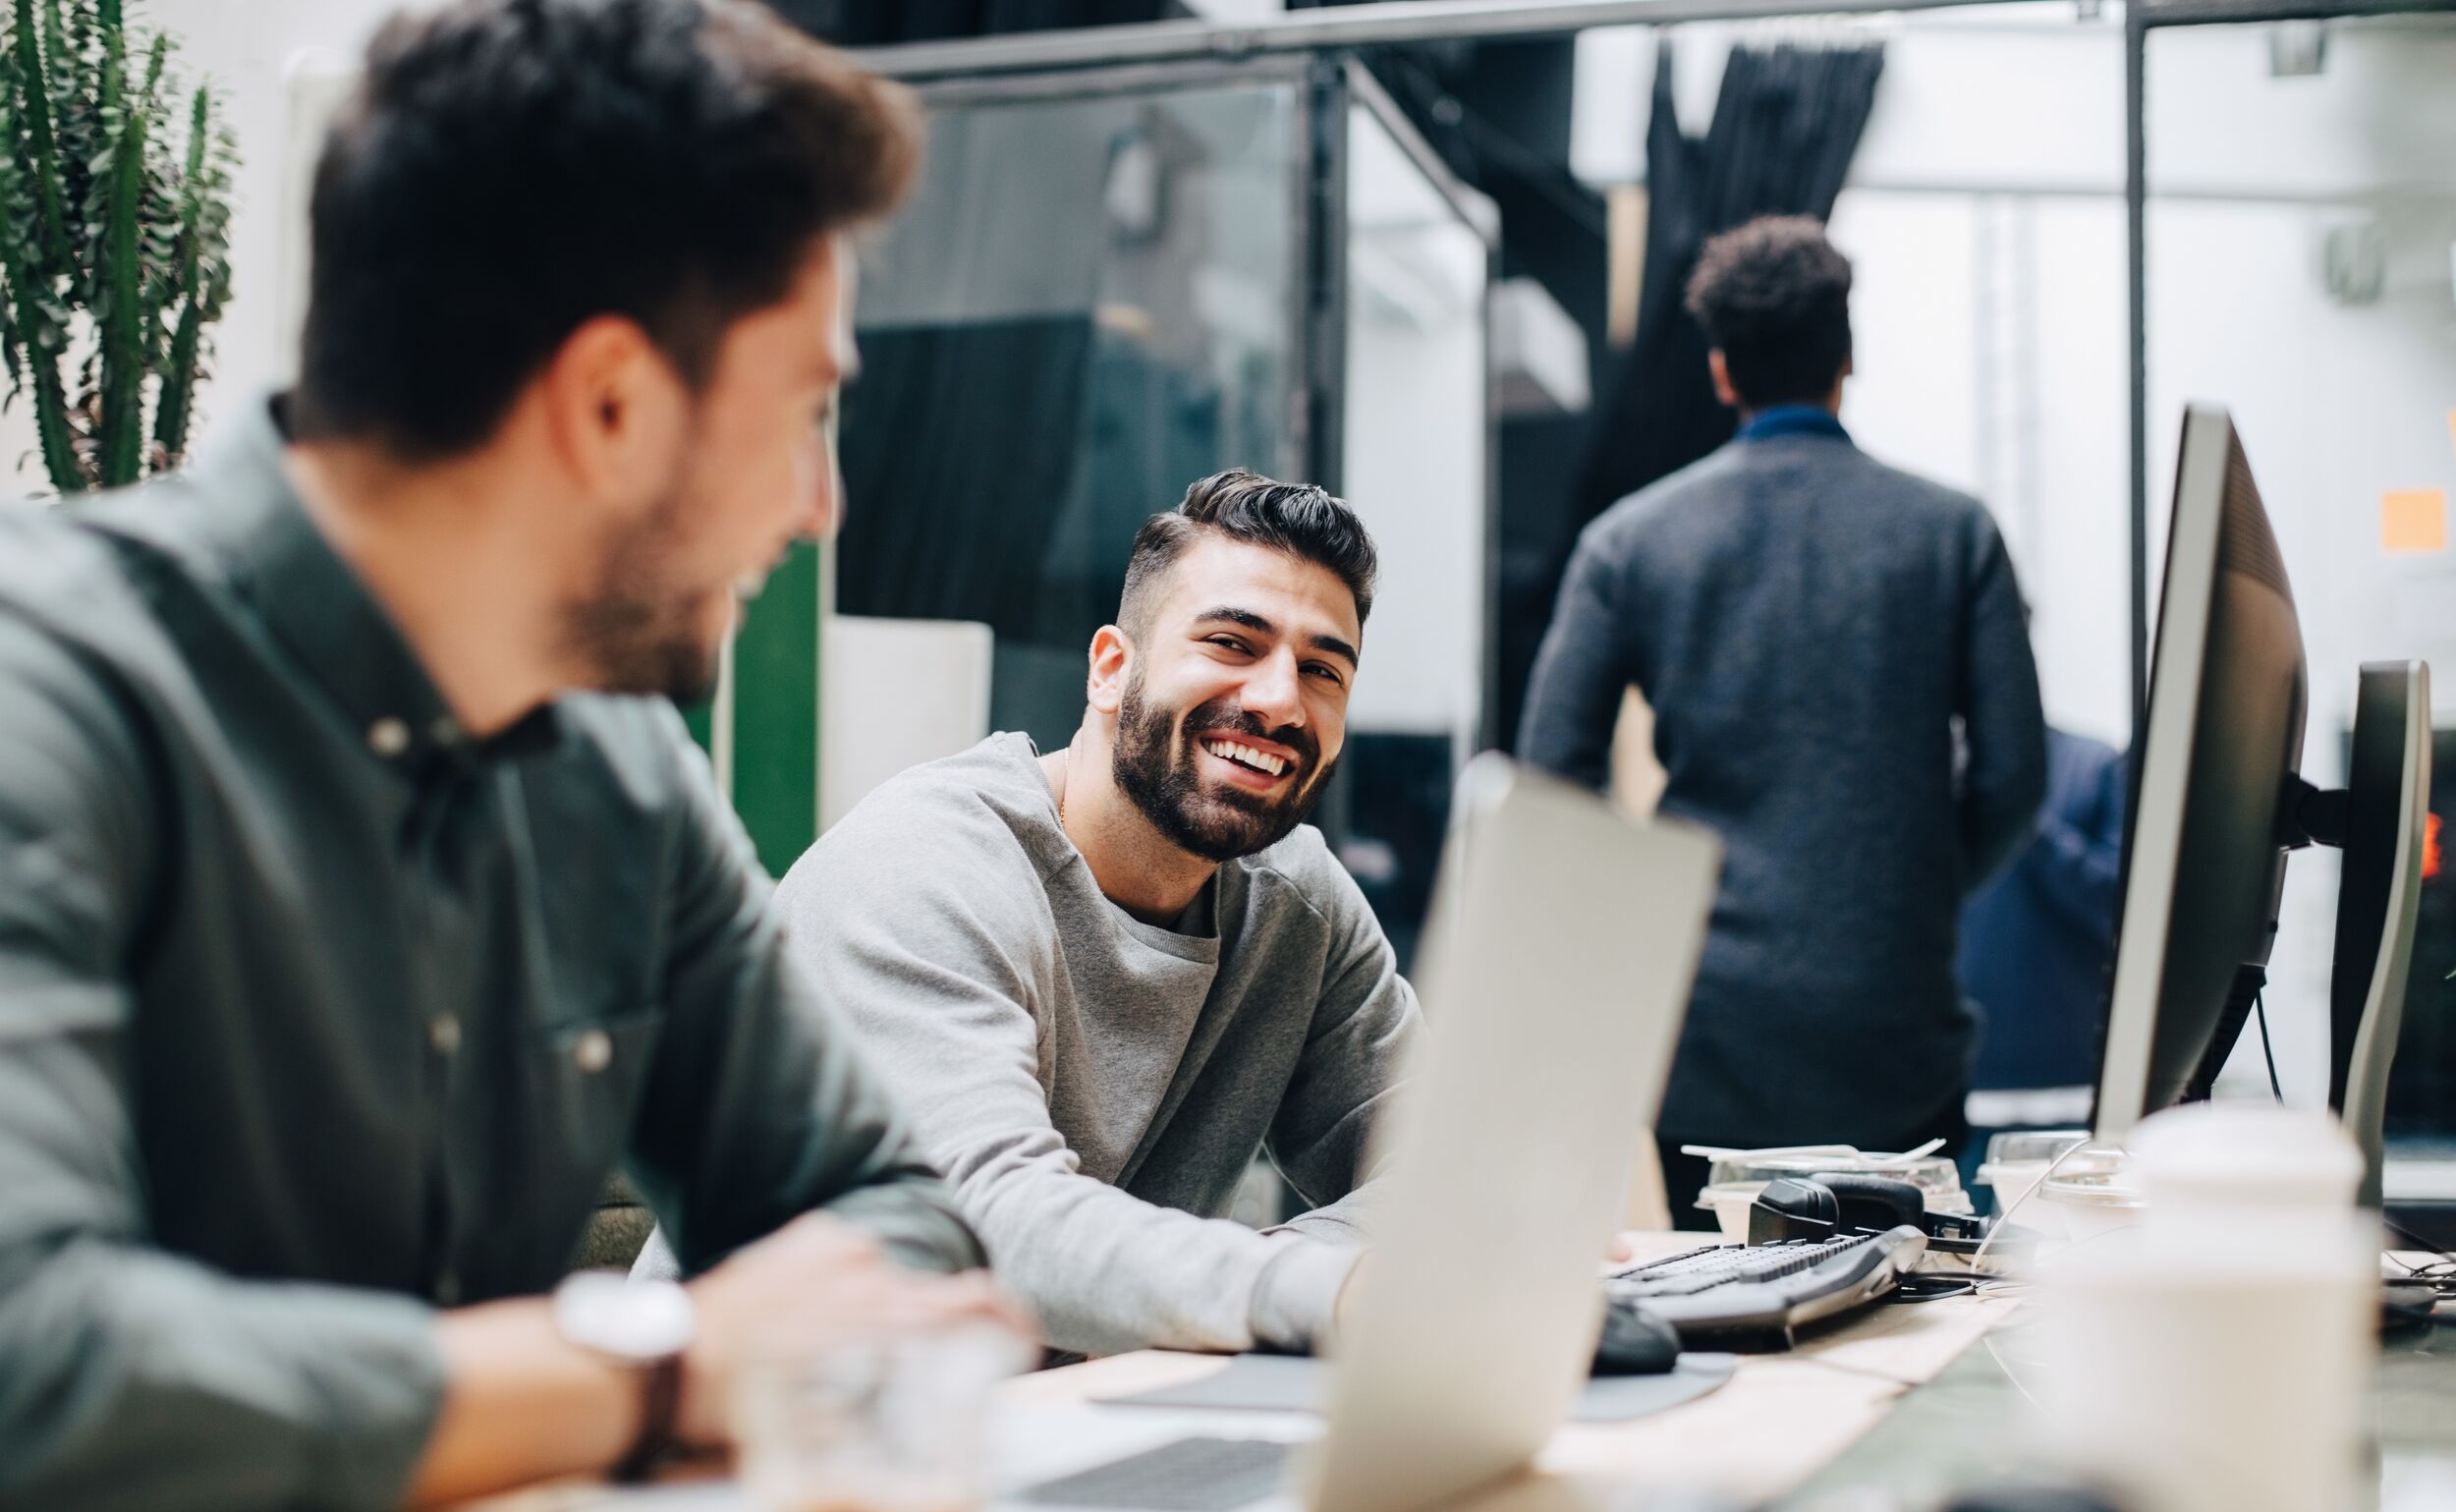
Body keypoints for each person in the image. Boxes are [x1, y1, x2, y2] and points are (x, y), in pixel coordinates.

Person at [0, 0, 1015, 1512]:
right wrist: (649, 1370)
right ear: (609, 406)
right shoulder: (49, 695)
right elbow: (28, 1371)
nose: (817, 509)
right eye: (808, 412)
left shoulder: (617, 770)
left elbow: (888, 1218)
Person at [679, 473, 1418, 1357]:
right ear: (1112, 668)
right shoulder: (924, 869)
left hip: (1073, 1423)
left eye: (1322, 670)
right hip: (765, 1445)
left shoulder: (1298, 906)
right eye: (1230, 642)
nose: (1277, 700)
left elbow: (1441, 1168)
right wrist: (1313, 1285)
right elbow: (988, 1226)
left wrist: (1313, 1266)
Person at [1517, 215, 2046, 1227]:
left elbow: (1552, 779)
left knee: (1726, 1310)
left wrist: (1655, 914)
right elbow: (2013, 777)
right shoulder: (1952, 534)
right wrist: (1911, 885)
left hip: (1704, 1030)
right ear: (1847, 356)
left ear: (1721, 371)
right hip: (1894, 1028)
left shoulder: (1630, 541)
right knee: (1904, 1319)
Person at [1957, 726, 2128, 1149]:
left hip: (2068, 1104)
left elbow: (2124, 910)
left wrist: (2023, 817)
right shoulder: (1917, 765)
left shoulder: (2094, 766)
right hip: (1945, 1101)